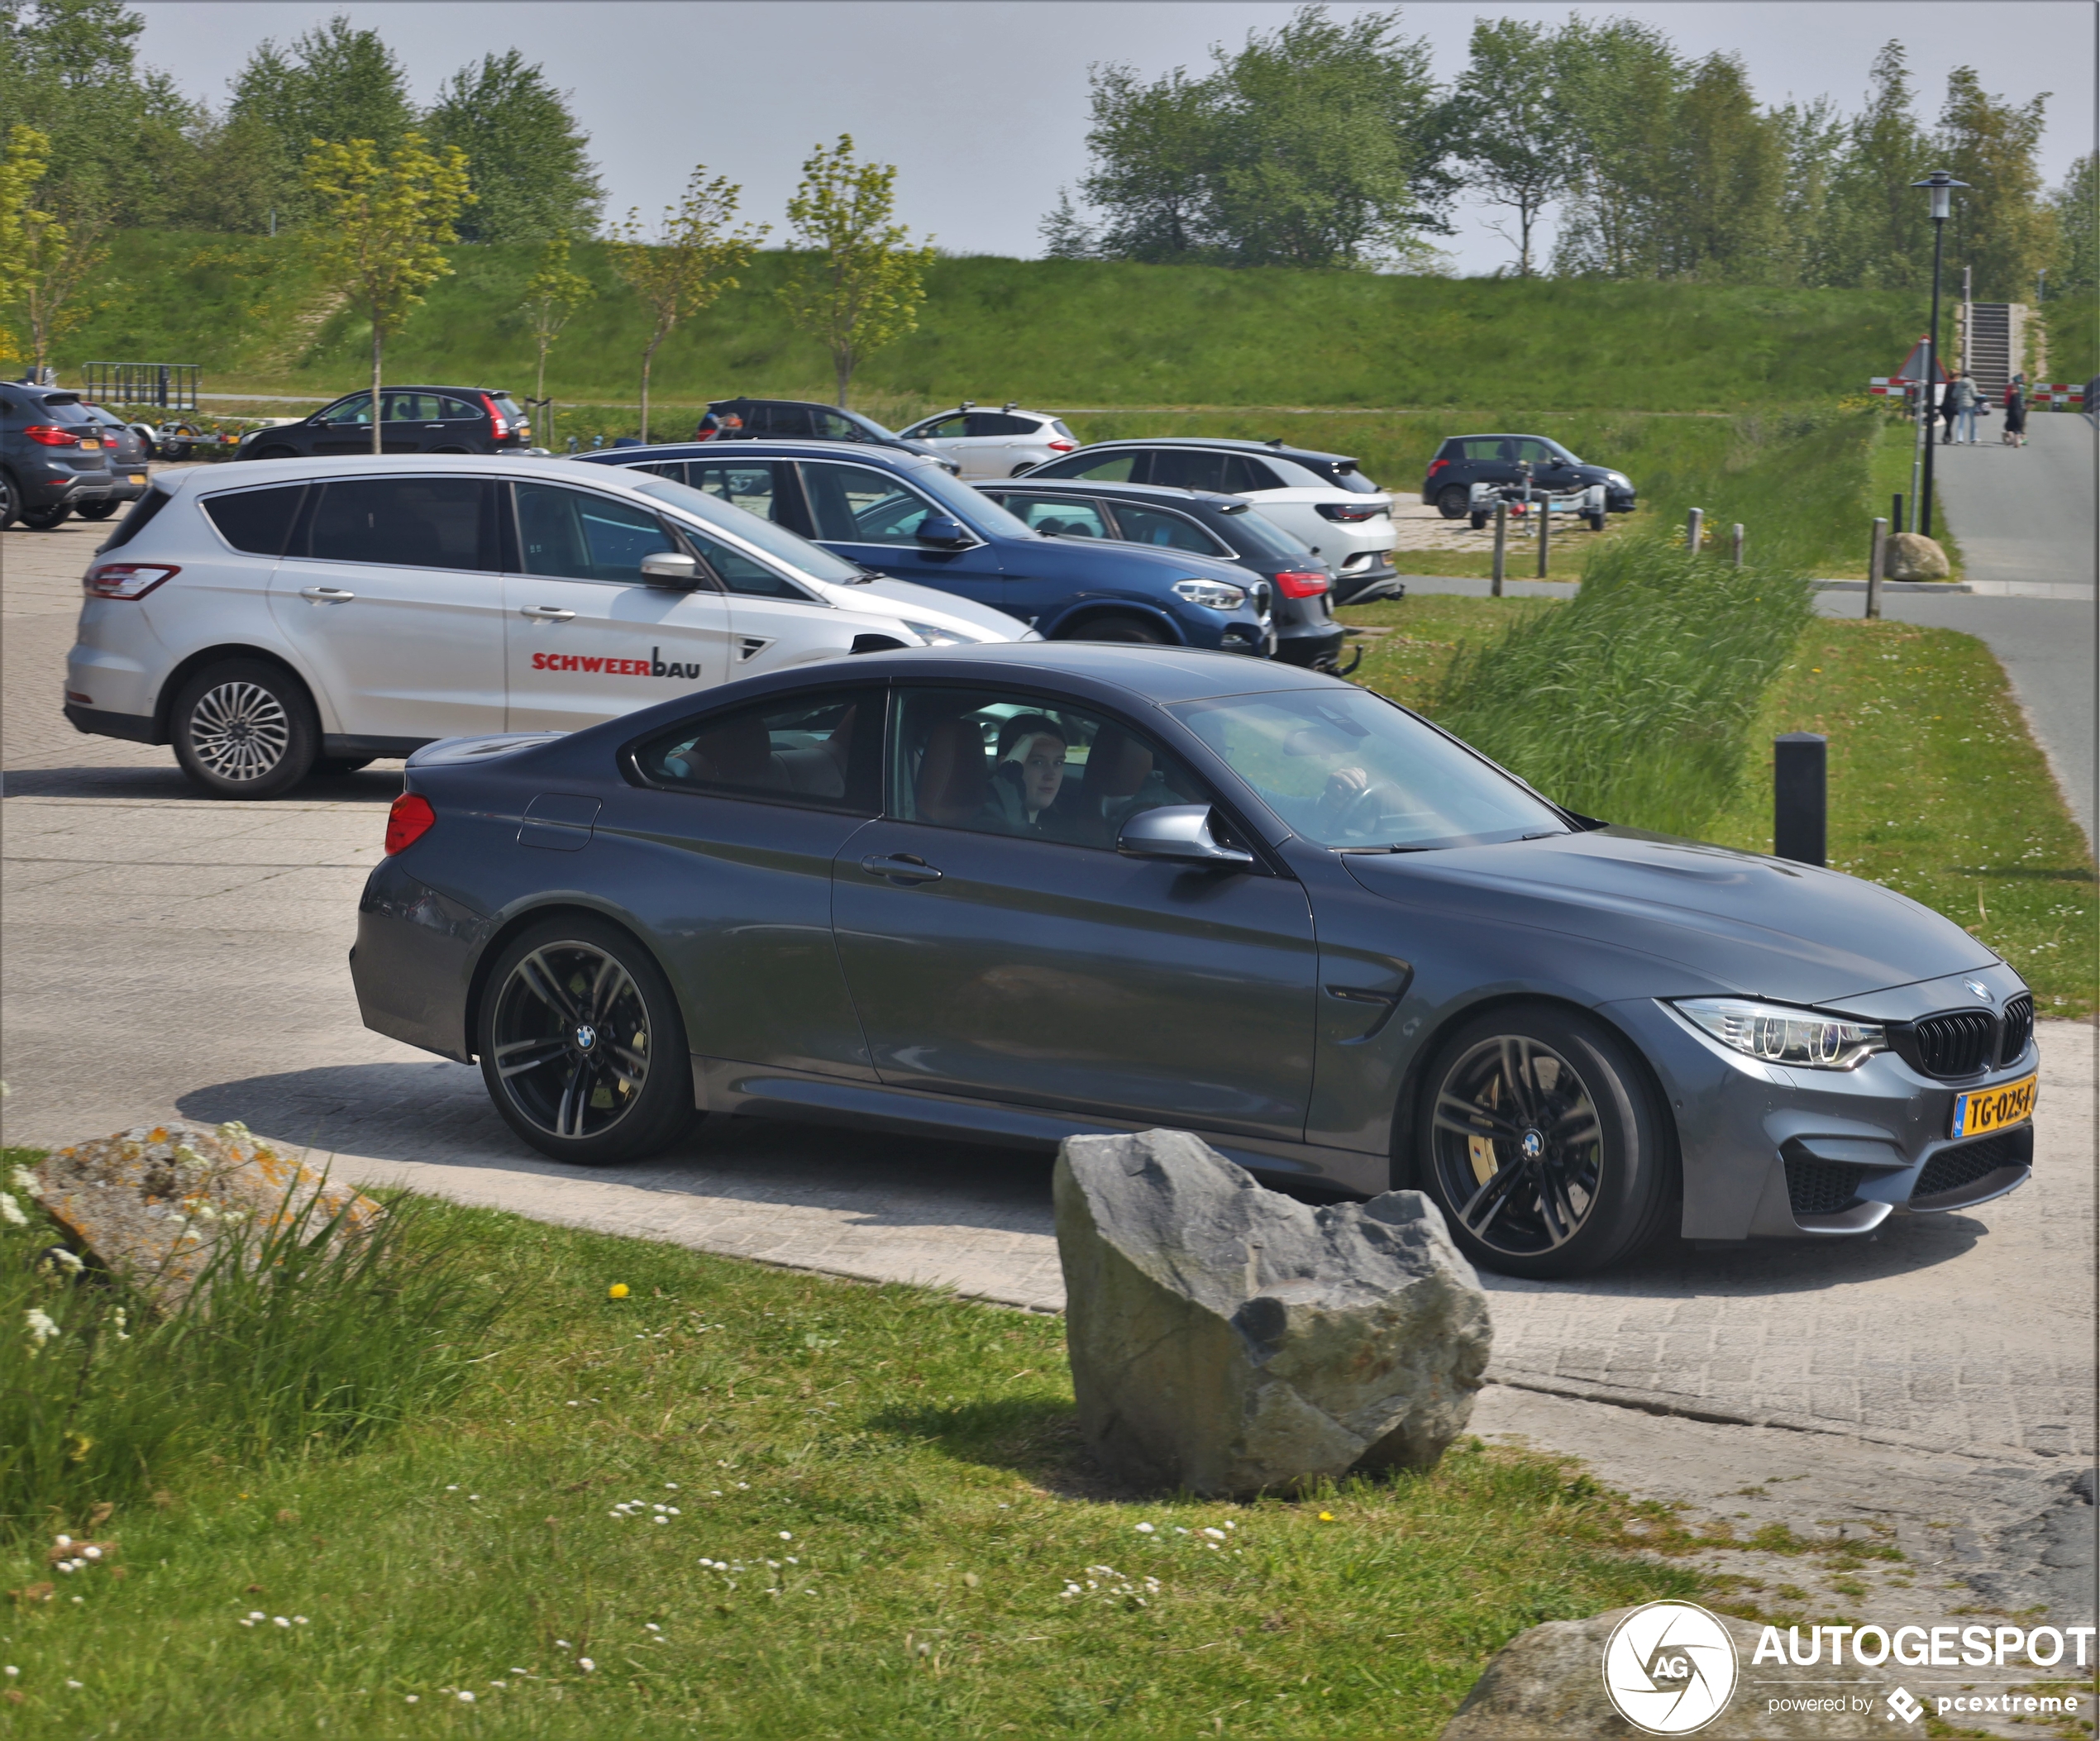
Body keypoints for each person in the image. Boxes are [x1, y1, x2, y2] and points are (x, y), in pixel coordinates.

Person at [979, 714, 1071, 837]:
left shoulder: (1065, 830)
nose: (1051, 775)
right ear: (1008, 766)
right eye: (1038, 762)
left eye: (1058, 762)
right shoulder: (986, 825)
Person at [1946, 372, 1978, 444]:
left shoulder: (1959, 383)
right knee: (1972, 422)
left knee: (1961, 422)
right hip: (1970, 404)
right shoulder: (1972, 382)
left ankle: (1960, 439)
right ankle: (1973, 438)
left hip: (1961, 404)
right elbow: (1974, 394)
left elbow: (1954, 395)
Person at [2003, 374, 2028, 448]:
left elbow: (2008, 402)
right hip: (2021, 410)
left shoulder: (2012, 392)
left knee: (2008, 427)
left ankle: (2013, 440)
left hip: (2013, 411)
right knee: (2018, 428)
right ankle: (2019, 441)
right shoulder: (2022, 389)